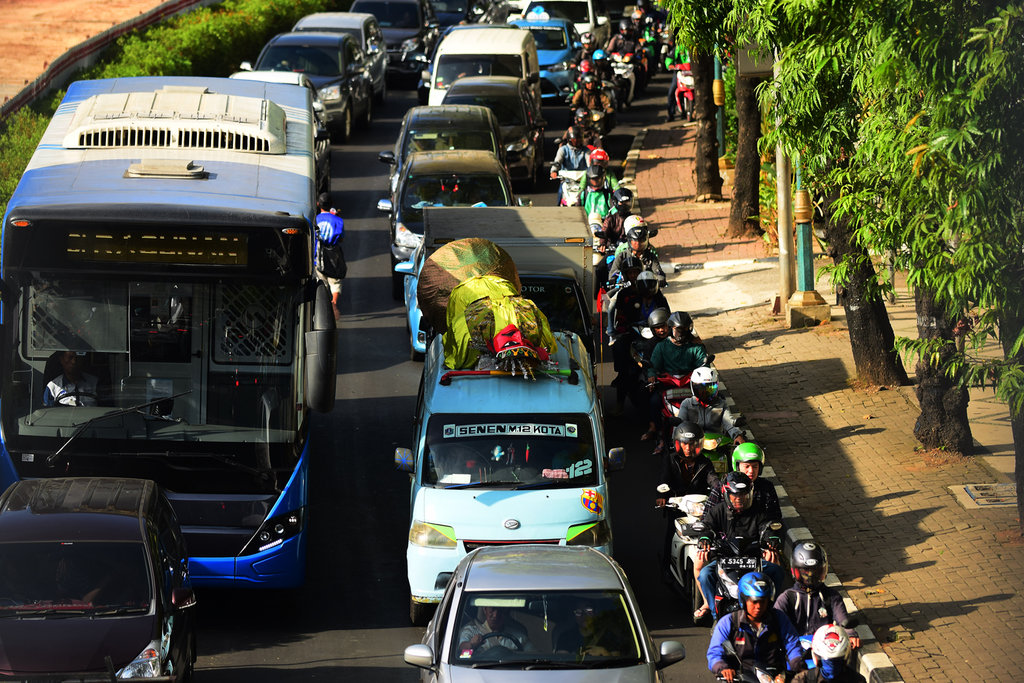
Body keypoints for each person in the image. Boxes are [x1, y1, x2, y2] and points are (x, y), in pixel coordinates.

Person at [697, 472, 786, 620]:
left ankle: (771, 609)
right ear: (727, 495)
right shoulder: (717, 510)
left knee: (777, 571)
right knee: (705, 575)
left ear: (750, 494)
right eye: (735, 496)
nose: (739, 499)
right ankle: (714, 614)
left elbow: (767, 528)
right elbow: (707, 527)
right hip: (722, 560)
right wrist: (705, 539)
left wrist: (771, 540)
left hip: (753, 559)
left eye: (743, 495)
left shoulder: (759, 512)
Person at [707, 571, 806, 682]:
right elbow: (715, 652)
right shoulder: (728, 622)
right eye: (754, 602)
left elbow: (792, 645)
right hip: (742, 678)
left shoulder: (779, 619)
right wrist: (722, 667)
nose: (758, 606)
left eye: (763, 602)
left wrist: (798, 665)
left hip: (776, 677)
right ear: (744, 600)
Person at [655, 422, 720, 582]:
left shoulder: (705, 463)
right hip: (676, 506)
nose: (688, 448)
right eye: (685, 444)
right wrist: (663, 496)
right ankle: (666, 568)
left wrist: (721, 490)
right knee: (670, 534)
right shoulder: (670, 460)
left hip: (698, 508)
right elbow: (664, 480)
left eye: (692, 444)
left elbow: (714, 480)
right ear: (678, 444)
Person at [775, 542, 861, 649]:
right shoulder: (787, 598)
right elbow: (775, 621)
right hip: (793, 651)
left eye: (815, 572)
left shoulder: (832, 596)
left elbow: (842, 618)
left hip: (825, 650)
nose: (810, 577)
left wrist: (851, 634)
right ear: (795, 571)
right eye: (805, 572)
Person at [610, 270, 668, 413]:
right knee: (620, 351)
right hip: (634, 334)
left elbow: (667, 314)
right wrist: (623, 327)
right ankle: (619, 403)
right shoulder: (627, 296)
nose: (648, 290)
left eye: (651, 285)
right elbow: (621, 317)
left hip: (654, 335)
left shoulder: (659, 298)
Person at [702, 442, 783, 521]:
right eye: (746, 466)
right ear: (737, 467)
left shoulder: (766, 487)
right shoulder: (721, 487)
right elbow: (706, 517)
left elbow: (775, 517)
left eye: (755, 467)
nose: (751, 471)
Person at [674, 366, 746, 445]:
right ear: (693, 388)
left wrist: (737, 435)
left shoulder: (721, 403)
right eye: (702, 390)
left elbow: (729, 423)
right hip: (693, 445)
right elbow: (679, 427)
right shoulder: (687, 404)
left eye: (710, 389)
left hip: (717, 444)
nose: (706, 393)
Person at [555, 597, 628, 659]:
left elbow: (617, 665)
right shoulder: (565, 637)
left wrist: (604, 652)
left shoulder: (608, 636)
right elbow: (561, 662)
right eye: (578, 612)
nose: (584, 615)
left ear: (595, 613)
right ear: (574, 616)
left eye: (588, 611)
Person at [791, 625, 866, 683]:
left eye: (835, 661)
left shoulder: (802, 679)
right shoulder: (857, 680)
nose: (832, 667)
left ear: (816, 658)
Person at [457, 604, 532, 656]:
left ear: (505, 612)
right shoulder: (471, 632)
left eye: (500, 610)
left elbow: (533, 656)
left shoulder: (519, 637)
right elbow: (462, 656)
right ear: (485, 610)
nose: (495, 615)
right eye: (492, 610)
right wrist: (472, 645)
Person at [315, 193, 346, 319]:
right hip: (333, 254)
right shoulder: (338, 220)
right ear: (331, 204)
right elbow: (341, 238)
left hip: (317, 255)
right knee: (335, 281)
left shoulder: (315, 219)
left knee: (321, 281)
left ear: (318, 204)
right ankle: (333, 302)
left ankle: (324, 305)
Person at [609, 219, 666, 285]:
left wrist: (661, 279)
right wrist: (613, 279)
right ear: (630, 241)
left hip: (646, 289)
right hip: (626, 289)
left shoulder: (651, 256)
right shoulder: (622, 255)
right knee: (610, 295)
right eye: (635, 242)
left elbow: (658, 271)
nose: (638, 244)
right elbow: (614, 272)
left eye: (641, 241)